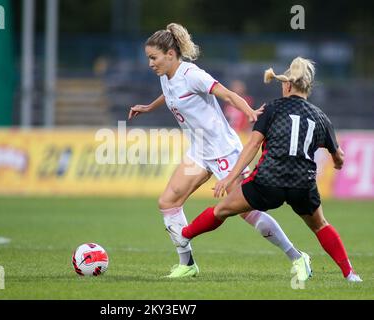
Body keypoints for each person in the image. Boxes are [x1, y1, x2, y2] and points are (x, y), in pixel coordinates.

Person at [128, 23, 309, 279]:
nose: (150, 63)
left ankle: (298, 257)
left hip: (224, 151)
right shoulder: (165, 77)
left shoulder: (192, 74)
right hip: (199, 151)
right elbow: (170, 95)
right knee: (168, 201)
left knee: (248, 212)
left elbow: (226, 94)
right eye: (149, 58)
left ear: (170, 54)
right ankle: (187, 264)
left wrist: (248, 112)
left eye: (153, 58)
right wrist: (149, 107)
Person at [172, 57, 362, 282]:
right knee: (321, 225)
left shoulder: (273, 108)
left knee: (221, 210)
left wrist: (229, 178)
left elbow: (252, 145)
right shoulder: (320, 118)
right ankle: (350, 274)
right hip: (302, 185)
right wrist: (338, 162)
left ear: (288, 84)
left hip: (268, 182)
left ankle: (183, 235)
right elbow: (338, 156)